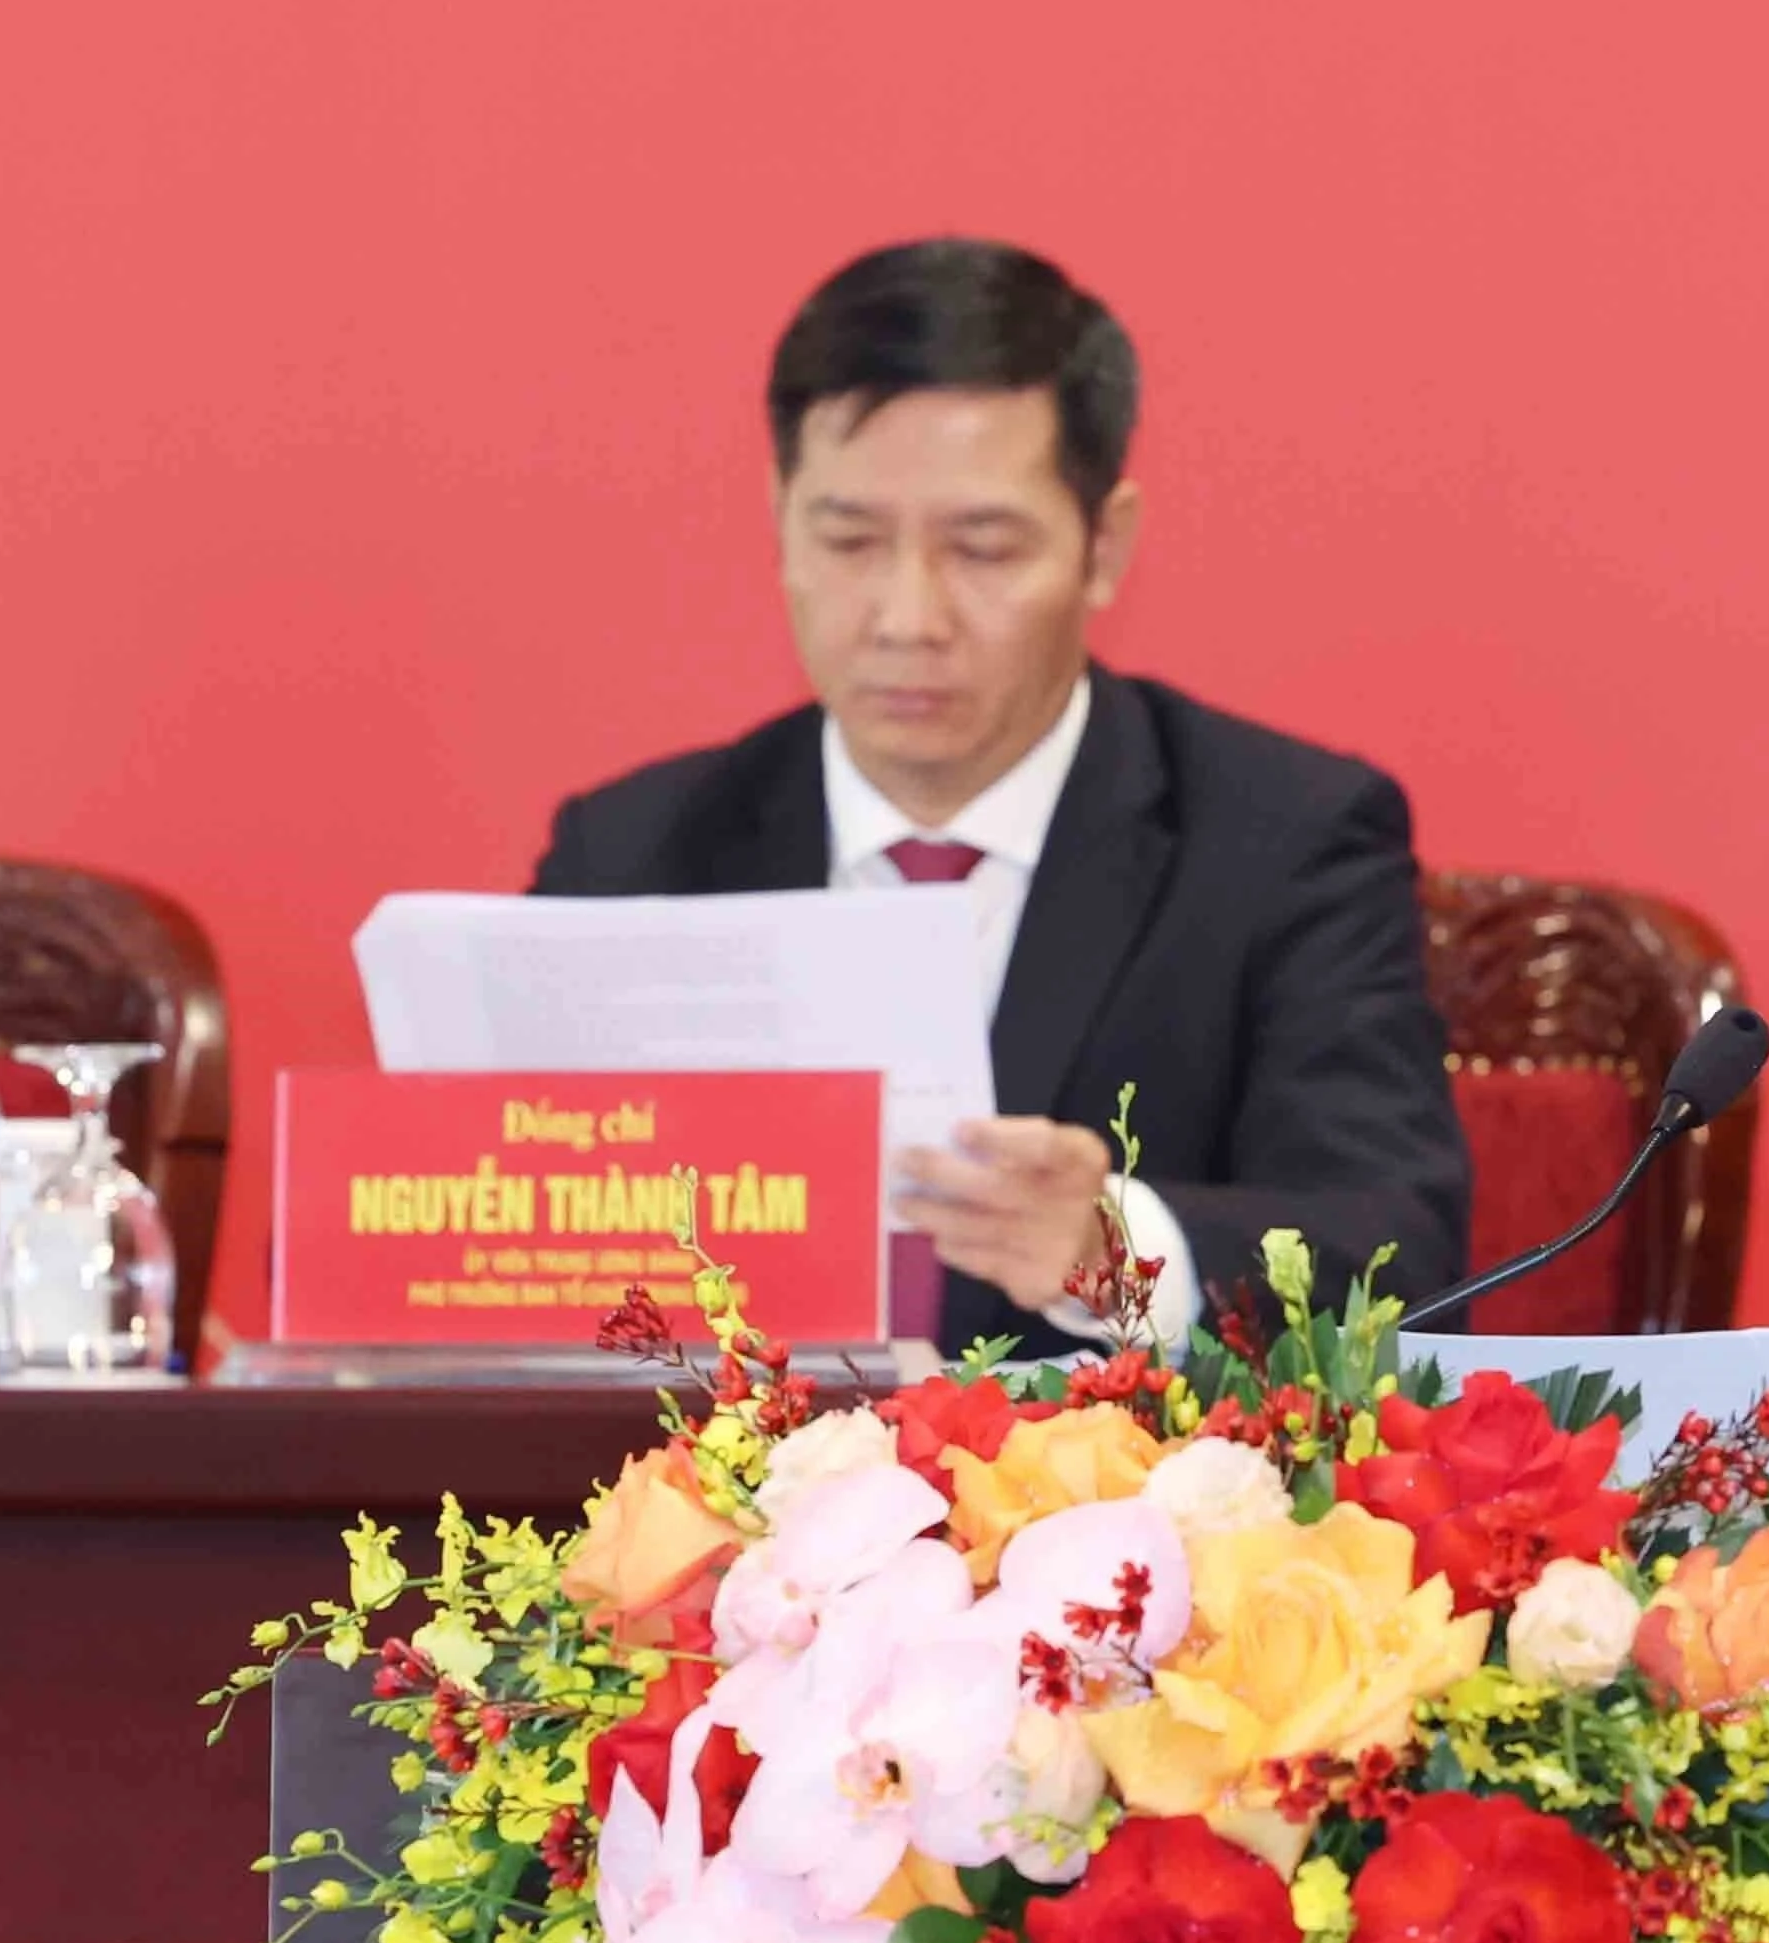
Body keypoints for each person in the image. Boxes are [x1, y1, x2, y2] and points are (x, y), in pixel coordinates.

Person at [535, 237, 1468, 1354]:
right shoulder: (631, 856)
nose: (906, 615)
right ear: (781, 516)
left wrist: (1111, 1245)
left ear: (1103, 546)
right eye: (848, 540)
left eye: (981, 548)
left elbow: (1400, 1244)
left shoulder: (1284, 842)